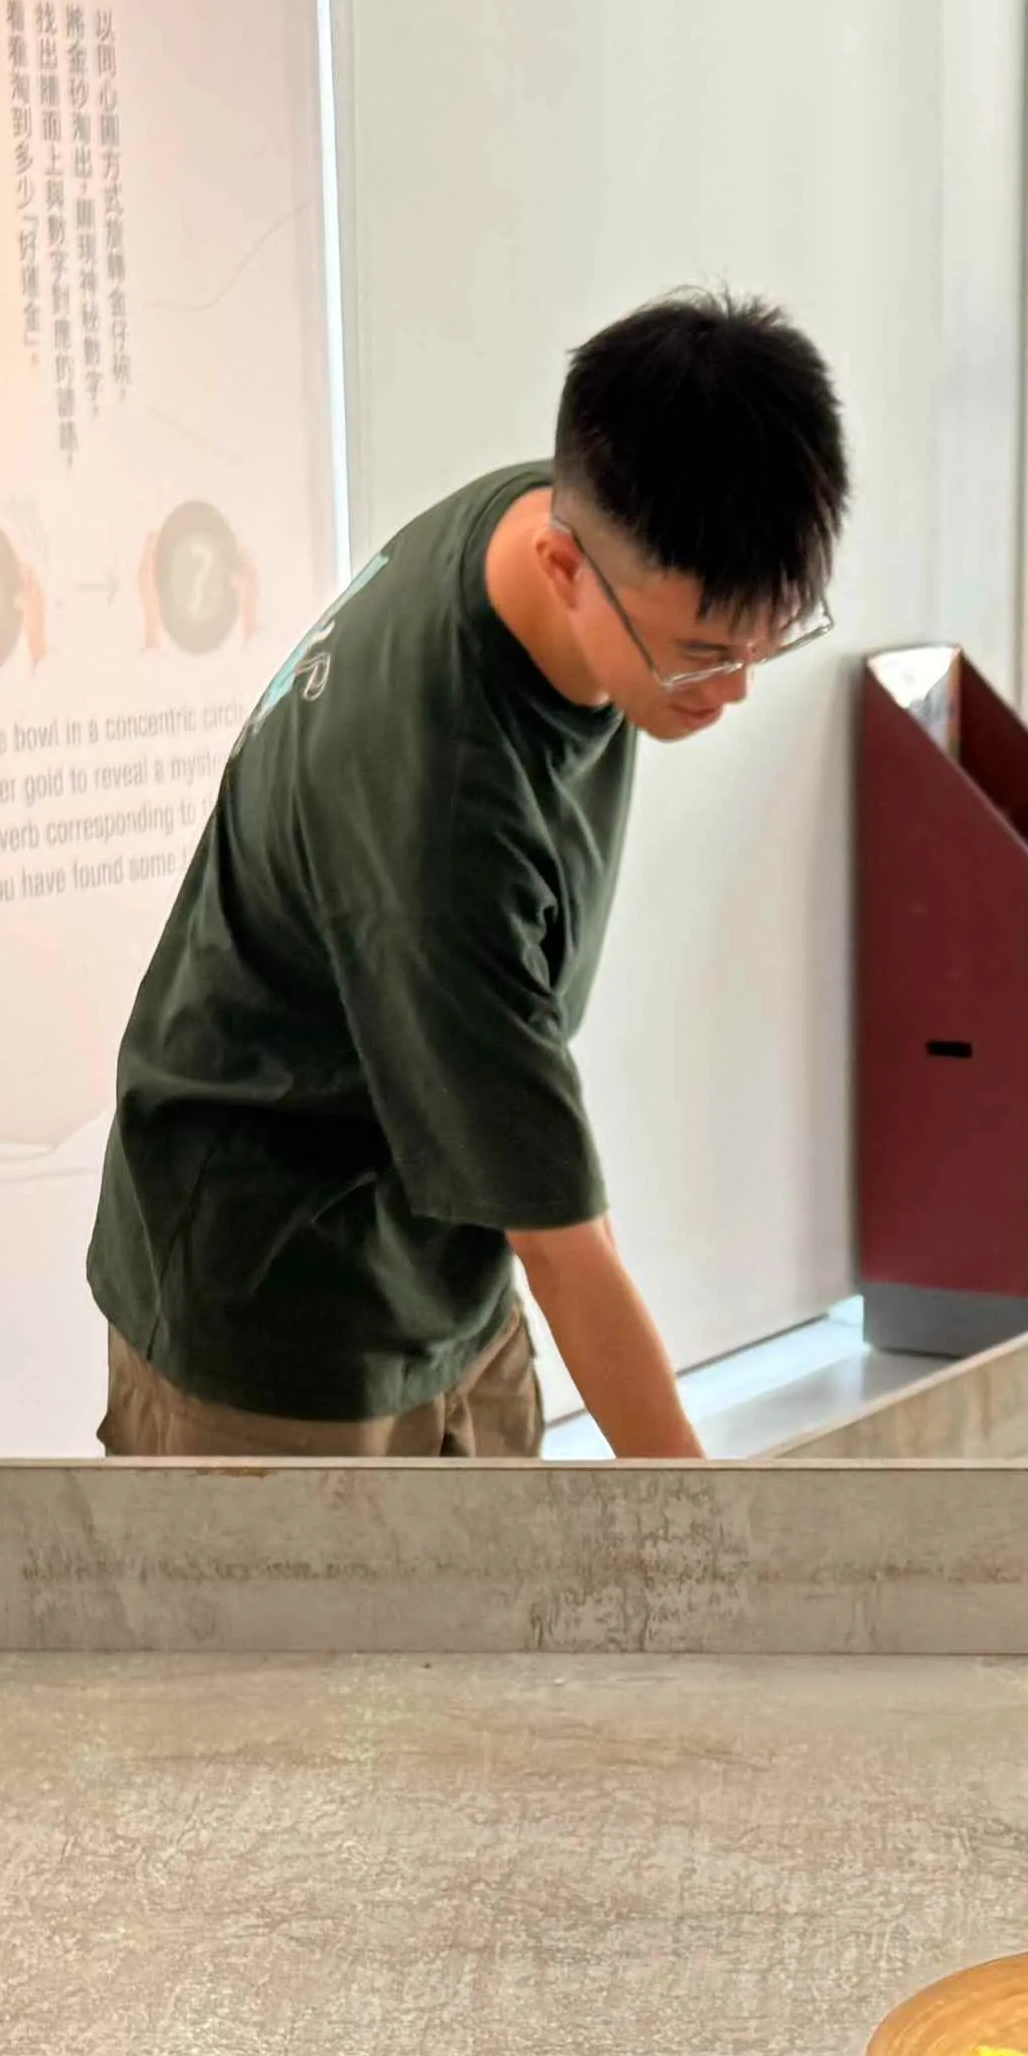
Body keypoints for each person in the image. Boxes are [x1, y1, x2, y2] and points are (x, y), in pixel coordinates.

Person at [86, 293, 845, 1463]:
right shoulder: (443, 808)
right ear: (566, 565)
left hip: (447, 1246)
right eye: (702, 654)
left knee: (497, 1632)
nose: (734, 689)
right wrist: (719, 1554)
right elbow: (564, 1245)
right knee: (319, 1649)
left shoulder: (570, 516)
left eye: (766, 640)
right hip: (276, 1305)